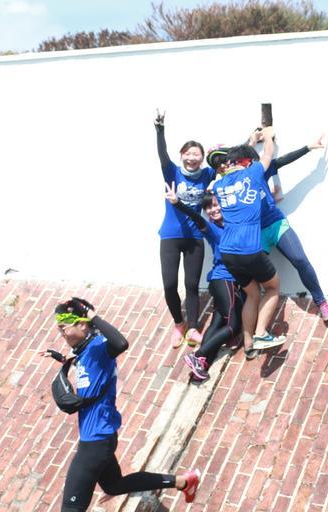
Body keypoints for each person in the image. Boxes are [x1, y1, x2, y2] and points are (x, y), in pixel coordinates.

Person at [42, 298, 200, 511]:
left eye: (63, 328)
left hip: (96, 441)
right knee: (114, 485)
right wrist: (62, 359)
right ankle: (184, 481)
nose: (61, 333)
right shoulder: (86, 350)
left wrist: (91, 315)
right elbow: (89, 371)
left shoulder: (100, 347)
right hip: (100, 436)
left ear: (82, 325)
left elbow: (121, 343)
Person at [208, 125, 286, 359]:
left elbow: (236, 161)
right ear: (247, 163)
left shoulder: (219, 185)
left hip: (228, 252)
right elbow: (268, 154)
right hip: (249, 248)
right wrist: (268, 137)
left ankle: (249, 343)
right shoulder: (251, 174)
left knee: (253, 294)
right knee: (272, 287)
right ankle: (261, 333)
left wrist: (249, 142)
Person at [248, 129, 328, 322]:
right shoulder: (237, 178)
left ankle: (321, 302)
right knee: (252, 276)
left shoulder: (261, 169)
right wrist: (252, 140)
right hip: (255, 232)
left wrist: (308, 148)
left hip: (276, 224)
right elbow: (235, 155)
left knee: (300, 259)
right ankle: (253, 318)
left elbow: (282, 160)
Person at [165, 184, 245, 377]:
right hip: (223, 279)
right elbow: (196, 216)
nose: (213, 209)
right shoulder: (211, 228)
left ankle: (201, 365)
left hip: (227, 283)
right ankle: (197, 355)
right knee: (233, 326)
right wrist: (177, 203)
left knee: (217, 323)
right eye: (208, 207)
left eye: (216, 205)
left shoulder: (236, 223)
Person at [154, 110, 216, 348]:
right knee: (170, 284)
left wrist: (250, 142)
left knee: (192, 285)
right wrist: (160, 129)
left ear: (202, 158)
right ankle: (179, 324)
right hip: (170, 235)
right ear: (182, 155)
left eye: (196, 154)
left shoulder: (207, 174)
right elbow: (162, 155)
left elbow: (225, 162)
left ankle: (193, 328)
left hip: (194, 238)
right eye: (188, 154)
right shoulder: (172, 172)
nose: (191, 158)